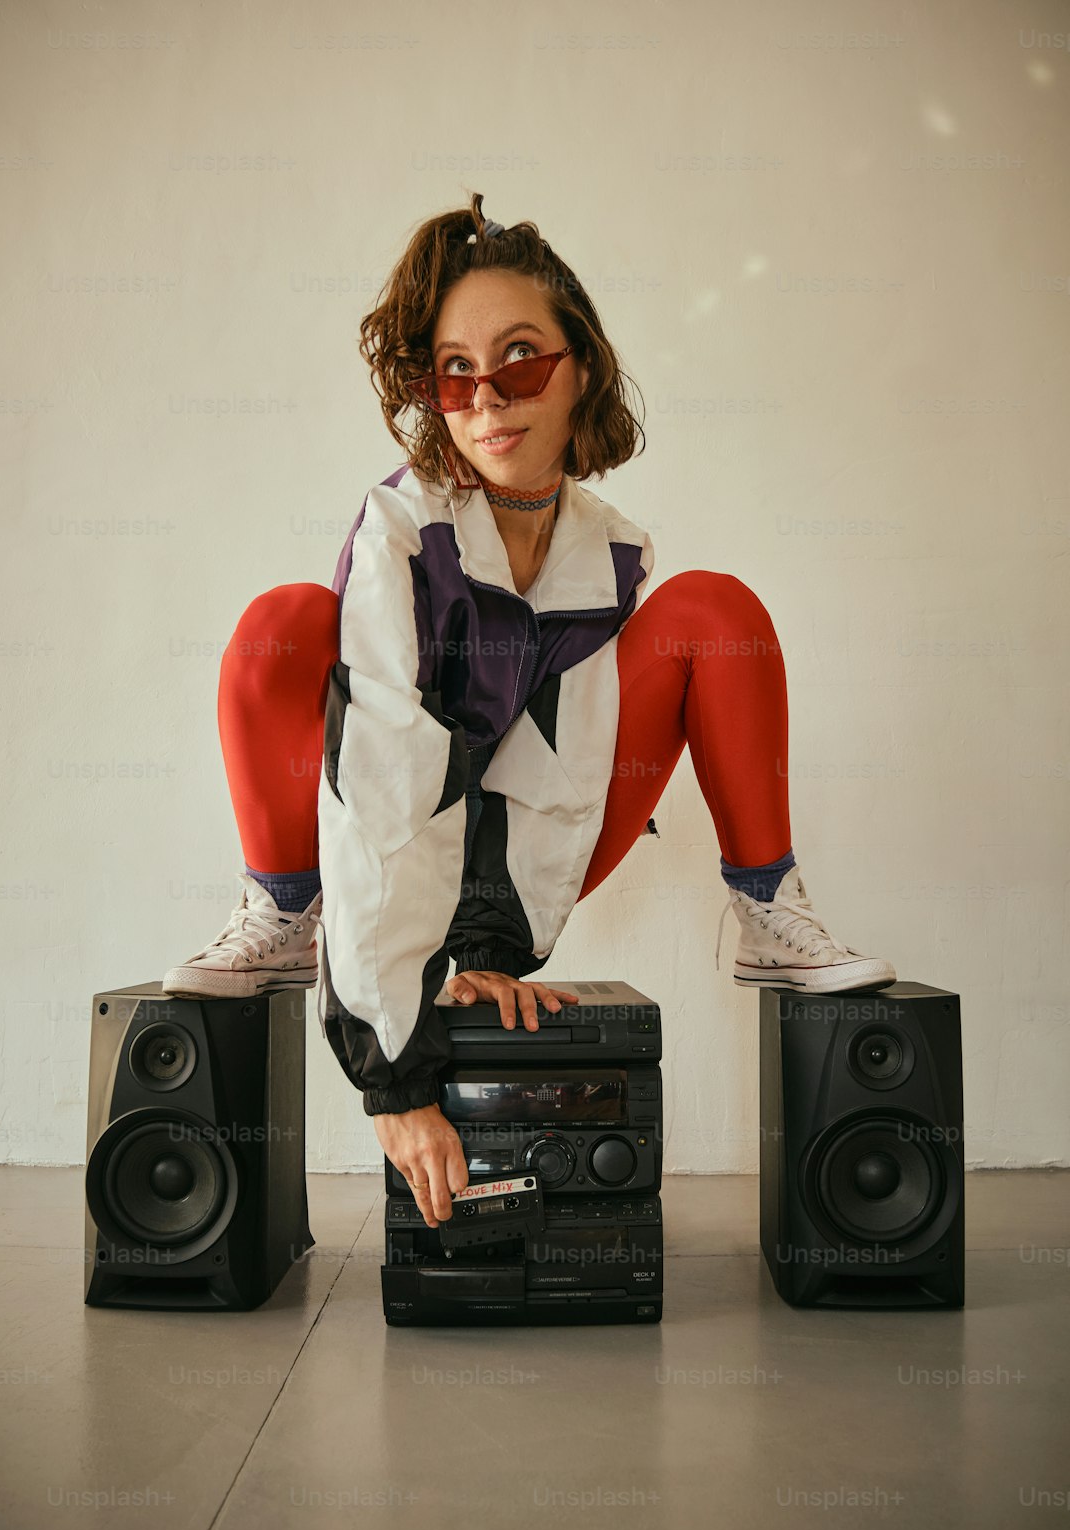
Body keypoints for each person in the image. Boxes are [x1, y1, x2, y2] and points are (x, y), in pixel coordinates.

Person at [163, 191, 896, 1233]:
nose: (488, 398)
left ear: (579, 368)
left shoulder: (616, 549)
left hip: (534, 842)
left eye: (520, 360)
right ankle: (285, 912)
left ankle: (768, 907)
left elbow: (565, 769)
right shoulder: (401, 529)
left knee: (711, 611)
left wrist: (493, 946)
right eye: (453, 372)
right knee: (283, 625)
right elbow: (385, 789)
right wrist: (396, 1079)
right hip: (396, 828)